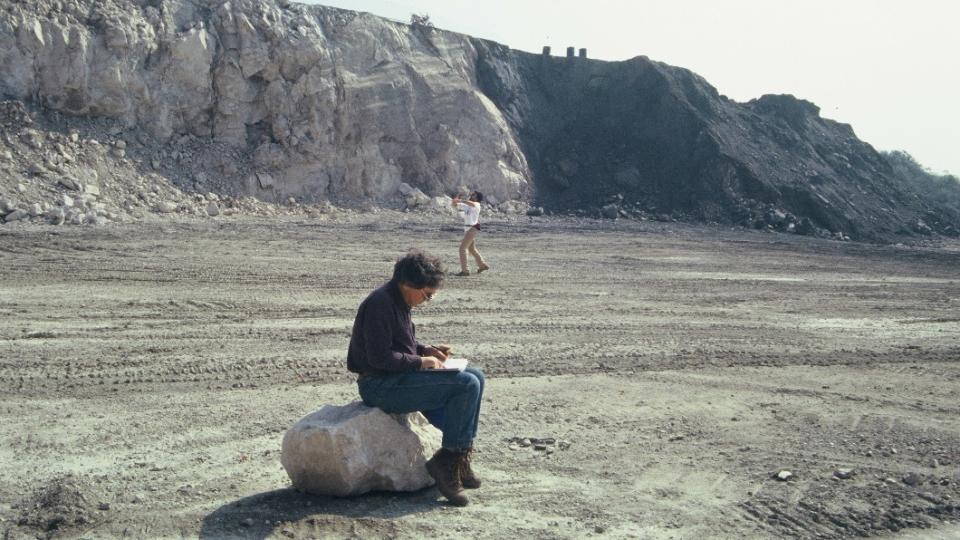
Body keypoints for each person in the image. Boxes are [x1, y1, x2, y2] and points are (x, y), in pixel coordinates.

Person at [347, 250, 485, 506]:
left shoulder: (398, 300)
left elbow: (399, 343)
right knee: (466, 384)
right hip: (379, 386)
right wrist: (422, 362)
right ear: (408, 284)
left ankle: (460, 456)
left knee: (476, 376)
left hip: (394, 379)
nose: (427, 300)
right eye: (427, 295)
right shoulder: (380, 303)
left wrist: (425, 350)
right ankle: (446, 462)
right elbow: (379, 358)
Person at [451, 191, 490, 276]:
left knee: (462, 248)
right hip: (468, 229)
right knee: (472, 249)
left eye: (474, 195)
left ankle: (465, 270)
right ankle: (482, 265)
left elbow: (471, 203)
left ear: (477, 198)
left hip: (472, 228)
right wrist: (455, 199)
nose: (472, 196)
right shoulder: (467, 206)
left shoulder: (477, 205)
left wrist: (460, 200)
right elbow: (455, 205)